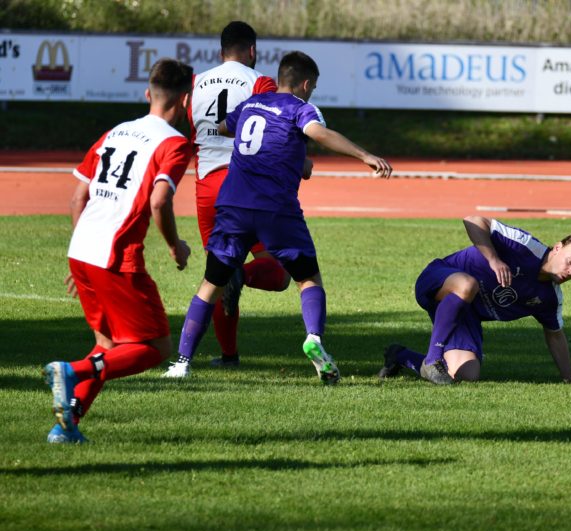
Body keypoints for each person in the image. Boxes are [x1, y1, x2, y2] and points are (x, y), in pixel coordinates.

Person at [163, 50, 392, 384]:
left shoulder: (252, 104)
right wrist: (365, 155)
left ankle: (182, 363)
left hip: (233, 206)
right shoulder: (301, 108)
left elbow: (225, 127)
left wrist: (291, 156)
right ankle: (314, 339)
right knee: (308, 279)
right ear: (306, 84)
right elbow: (319, 133)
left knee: (211, 284)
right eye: (313, 87)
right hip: (276, 208)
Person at [44, 58, 194, 443]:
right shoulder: (174, 144)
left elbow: (78, 198)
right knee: (156, 346)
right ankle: (72, 370)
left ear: (148, 93)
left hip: (83, 250)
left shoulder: (115, 132)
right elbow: (159, 201)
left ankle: (66, 428)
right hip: (115, 256)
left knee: (107, 344)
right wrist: (175, 247)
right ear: (185, 99)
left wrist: (84, 251)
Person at [184, 20, 290, 372]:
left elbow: (189, 131)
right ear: (252, 50)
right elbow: (274, 131)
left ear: (221, 51)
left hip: (206, 188)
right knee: (279, 272)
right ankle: (241, 275)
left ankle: (228, 356)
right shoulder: (261, 82)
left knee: (216, 275)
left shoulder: (195, 84)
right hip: (246, 184)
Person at [378, 216, 571, 384]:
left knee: (466, 375)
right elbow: (473, 220)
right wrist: (493, 259)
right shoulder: (525, 246)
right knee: (468, 285)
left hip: (464, 314)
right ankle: (433, 358)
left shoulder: (550, 298)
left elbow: (555, 335)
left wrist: (569, 380)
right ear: (557, 248)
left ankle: (400, 356)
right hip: (437, 281)